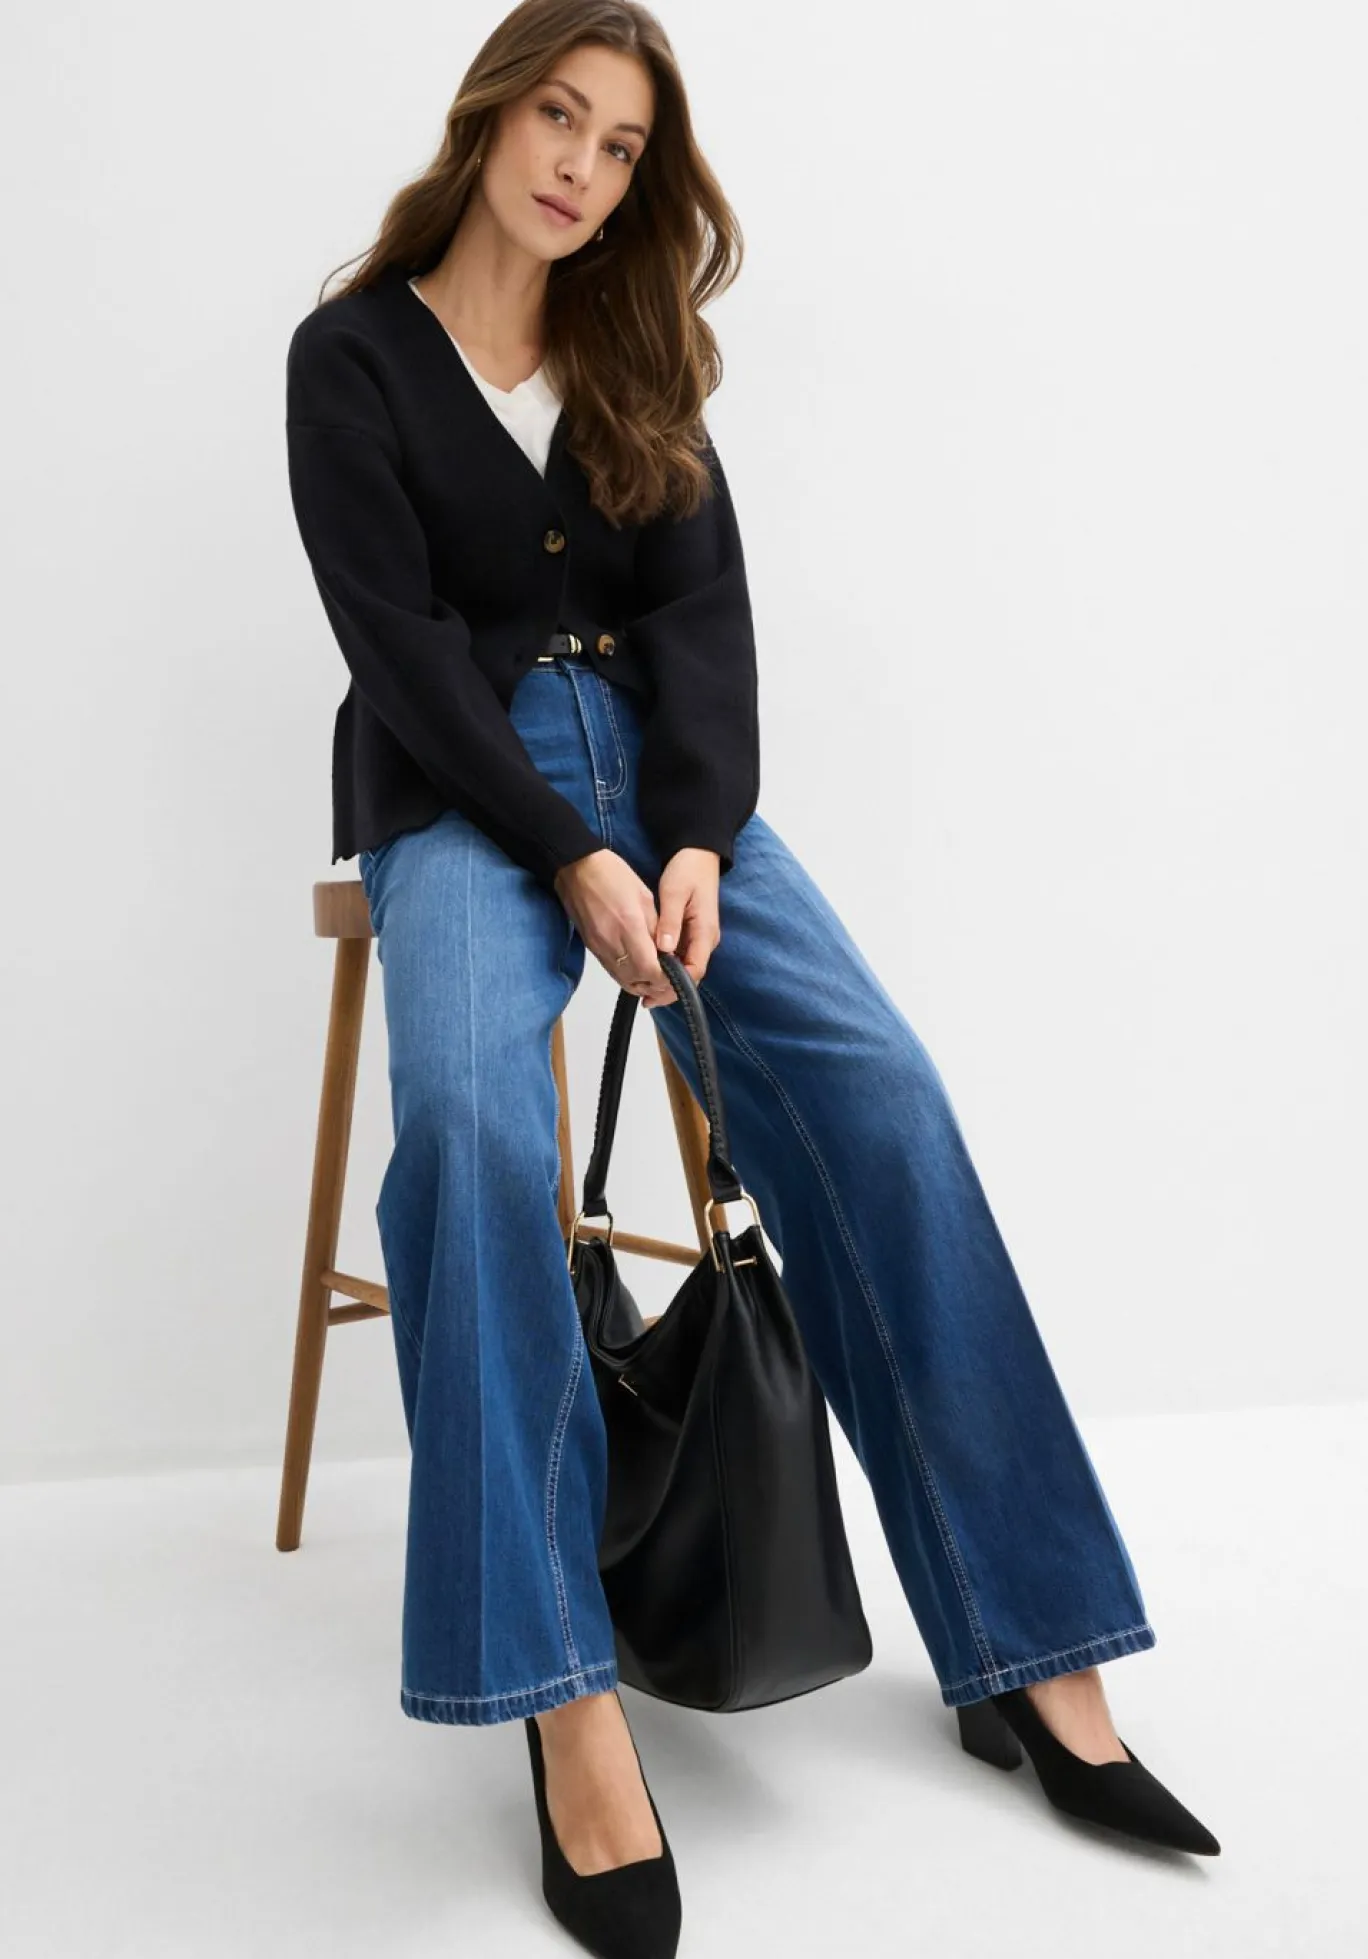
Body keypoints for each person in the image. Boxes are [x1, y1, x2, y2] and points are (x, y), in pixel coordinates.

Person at [284, 4, 1220, 1951]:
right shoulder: (351, 354)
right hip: (460, 797)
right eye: (560, 118)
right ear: (489, 117)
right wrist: (571, 856)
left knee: (880, 1093)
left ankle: (1030, 1646)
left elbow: (702, 610)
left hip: (664, 789)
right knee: (471, 1133)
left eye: (622, 146)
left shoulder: (631, 347)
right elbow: (399, 651)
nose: (582, 167)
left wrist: (694, 832)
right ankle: (560, 1699)